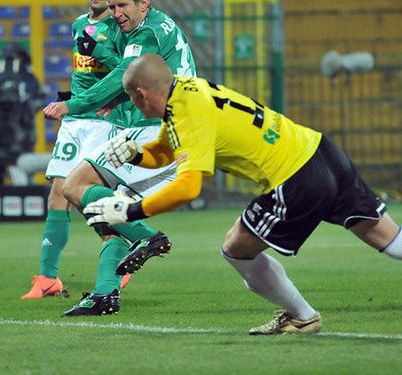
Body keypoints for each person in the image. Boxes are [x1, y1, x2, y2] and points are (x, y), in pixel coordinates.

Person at [83, 54, 402, 335]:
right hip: (322, 152)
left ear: (140, 94)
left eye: (132, 99)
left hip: (295, 177)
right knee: (388, 239)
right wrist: (136, 155)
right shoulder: (187, 88)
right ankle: (301, 317)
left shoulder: (185, 113)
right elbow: (169, 149)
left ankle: (302, 317)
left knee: (236, 248)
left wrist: (131, 211)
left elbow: (189, 187)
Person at [42, 0, 197, 316]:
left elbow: (121, 75)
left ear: (144, 3)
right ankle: (105, 292)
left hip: (152, 131)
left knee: (74, 185)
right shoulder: (162, 25)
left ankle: (146, 235)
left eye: (122, 5)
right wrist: (120, 100)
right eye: (112, 8)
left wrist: (75, 104)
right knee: (109, 210)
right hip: (170, 129)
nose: (117, 14)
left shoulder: (148, 31)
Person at [22, 0, 135, 300]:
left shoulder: (120, 28)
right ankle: (48, 278)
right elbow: (83, 73)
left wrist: (102, 55)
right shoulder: (78, 25)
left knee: (86, 196)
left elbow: (126, 73)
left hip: (105, 120)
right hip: (75, 121)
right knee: (58, 193)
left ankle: (118, 260)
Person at [0, 42, 44, 185]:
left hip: (23, 133)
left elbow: (38, 99)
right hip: (0, 134)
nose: (13, 60)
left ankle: (26, 196)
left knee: (24, 168)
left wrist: (26, 106)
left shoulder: (29, 79)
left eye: (16, 57)